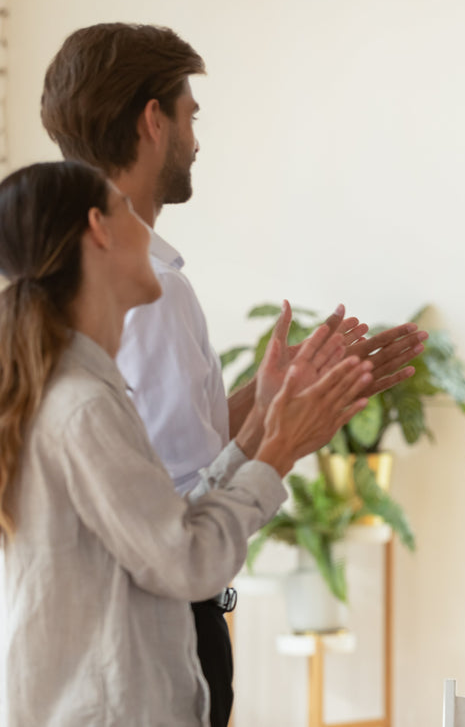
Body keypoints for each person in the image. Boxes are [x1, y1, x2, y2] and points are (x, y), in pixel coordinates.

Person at [39, 23, 427, 726]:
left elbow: (162, 452)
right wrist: (283, 436)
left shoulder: (83, 292)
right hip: (157, 631)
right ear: (151, 121)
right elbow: (184, 513)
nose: (196, 139)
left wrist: (279, 396)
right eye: (190, 116)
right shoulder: (147, 289)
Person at [0, 160, 374, 724]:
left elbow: (161, 536)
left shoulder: (78, 391)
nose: (150, 232)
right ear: (99, 230)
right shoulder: (81, 406)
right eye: (126, 210)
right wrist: (278, 448)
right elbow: (188, 561)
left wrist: (259, 425)